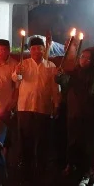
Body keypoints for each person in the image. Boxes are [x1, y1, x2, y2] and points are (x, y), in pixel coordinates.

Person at [56, 48, 94, 183]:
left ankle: (91, 168)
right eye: (82, 56)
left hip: (89, 114)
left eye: (88, 58)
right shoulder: (73, 73)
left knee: (90, 142)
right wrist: (58, 76)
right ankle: (70, 165)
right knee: (72, 140)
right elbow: (61, 81)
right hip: (74, 113)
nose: (84, 60)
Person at [12, 37, 60, 176]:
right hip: (25, 107)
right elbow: (16, 79)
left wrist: (56, 104)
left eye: (39, 48)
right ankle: (25, 163)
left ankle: (40, 165)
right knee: (25, 137)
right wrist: (17, 72)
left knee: (41, 137)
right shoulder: (24, 64)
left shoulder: (50, 66)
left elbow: (54, 88)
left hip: (42, 107)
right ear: (29, 50)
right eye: (33, 48)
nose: (37, 51)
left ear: (44, 49)